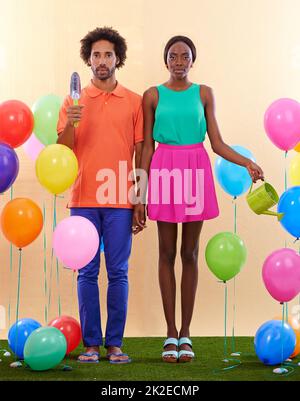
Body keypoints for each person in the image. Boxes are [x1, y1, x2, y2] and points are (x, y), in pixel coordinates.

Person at [133, 35, 264, 363]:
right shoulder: (152, 95)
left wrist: (246, 162)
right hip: (164, 169)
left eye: (184, 56)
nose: (179, 61)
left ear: (193, 60)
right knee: (166, 252)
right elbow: (146, 146)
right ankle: (170, 333)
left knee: (189, 253)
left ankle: (186, 334)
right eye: (173, 56)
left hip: (195, 168)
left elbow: (216, 142)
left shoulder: (204, 93)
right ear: (166, 61)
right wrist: (139, 194)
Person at [57, 27, 143, 364]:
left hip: (120, 200)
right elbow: (63, 151)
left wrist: (139, 199)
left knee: (118, 272)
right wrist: (70, 124)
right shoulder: (72, 102)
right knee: (87, 272)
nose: (102, 61)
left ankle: (115, 344)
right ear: (88, 60)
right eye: (96, 55)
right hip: (83, 199)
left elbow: (139, 152)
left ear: (117, 58)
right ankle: (91, 344)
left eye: (108, 54)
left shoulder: (133, 101)